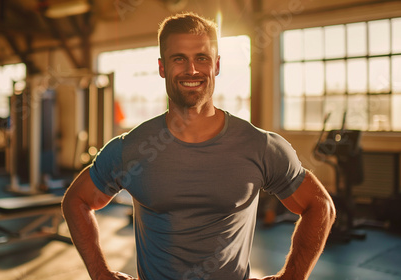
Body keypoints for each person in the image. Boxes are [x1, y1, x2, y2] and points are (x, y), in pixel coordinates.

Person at [62, 12, 336, 280]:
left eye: (201, 58)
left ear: (216, 65)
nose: (191, 70)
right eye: (178, 59)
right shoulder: (131, 148)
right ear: (162, 67)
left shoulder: (259, 145)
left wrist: (292, 276)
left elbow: (320, 205)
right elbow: (77, 200)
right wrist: (100, 274)